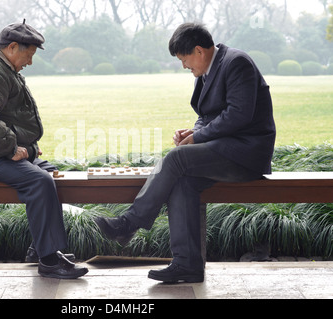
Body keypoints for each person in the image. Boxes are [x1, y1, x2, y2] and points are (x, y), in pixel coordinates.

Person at [95, 22, 276, 283]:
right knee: (182, 181)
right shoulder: (207, 70)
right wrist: (192, 132)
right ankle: (186, 264)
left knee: (176, 158)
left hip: (245, 155)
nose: (184, 66)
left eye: (184, 59)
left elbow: (239, 114)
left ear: (199, 51)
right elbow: (206, 115)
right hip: (222, 151)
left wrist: (198, 136)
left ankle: (128, 224)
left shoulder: (237, 63)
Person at [0, 20, 88, 279]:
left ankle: (41, 248)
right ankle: (49, 261)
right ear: (13, 47)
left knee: (49, 172)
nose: (30, 62)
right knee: (40, 182)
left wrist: (27, 149)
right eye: (29, 55)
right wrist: (11, 148)